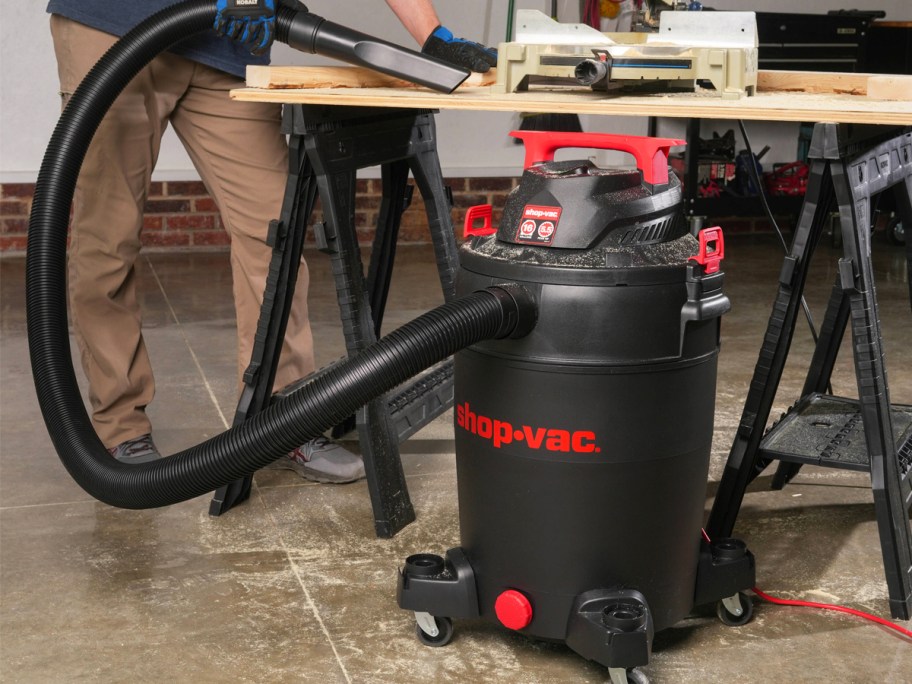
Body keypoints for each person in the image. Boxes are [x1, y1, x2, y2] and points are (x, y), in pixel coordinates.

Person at [46, 0, 496, 481]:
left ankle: (283, 418)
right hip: (115, 27)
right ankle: (119, 426)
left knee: (272, 234)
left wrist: (431, 34)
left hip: (223, 40)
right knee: (107, 241)